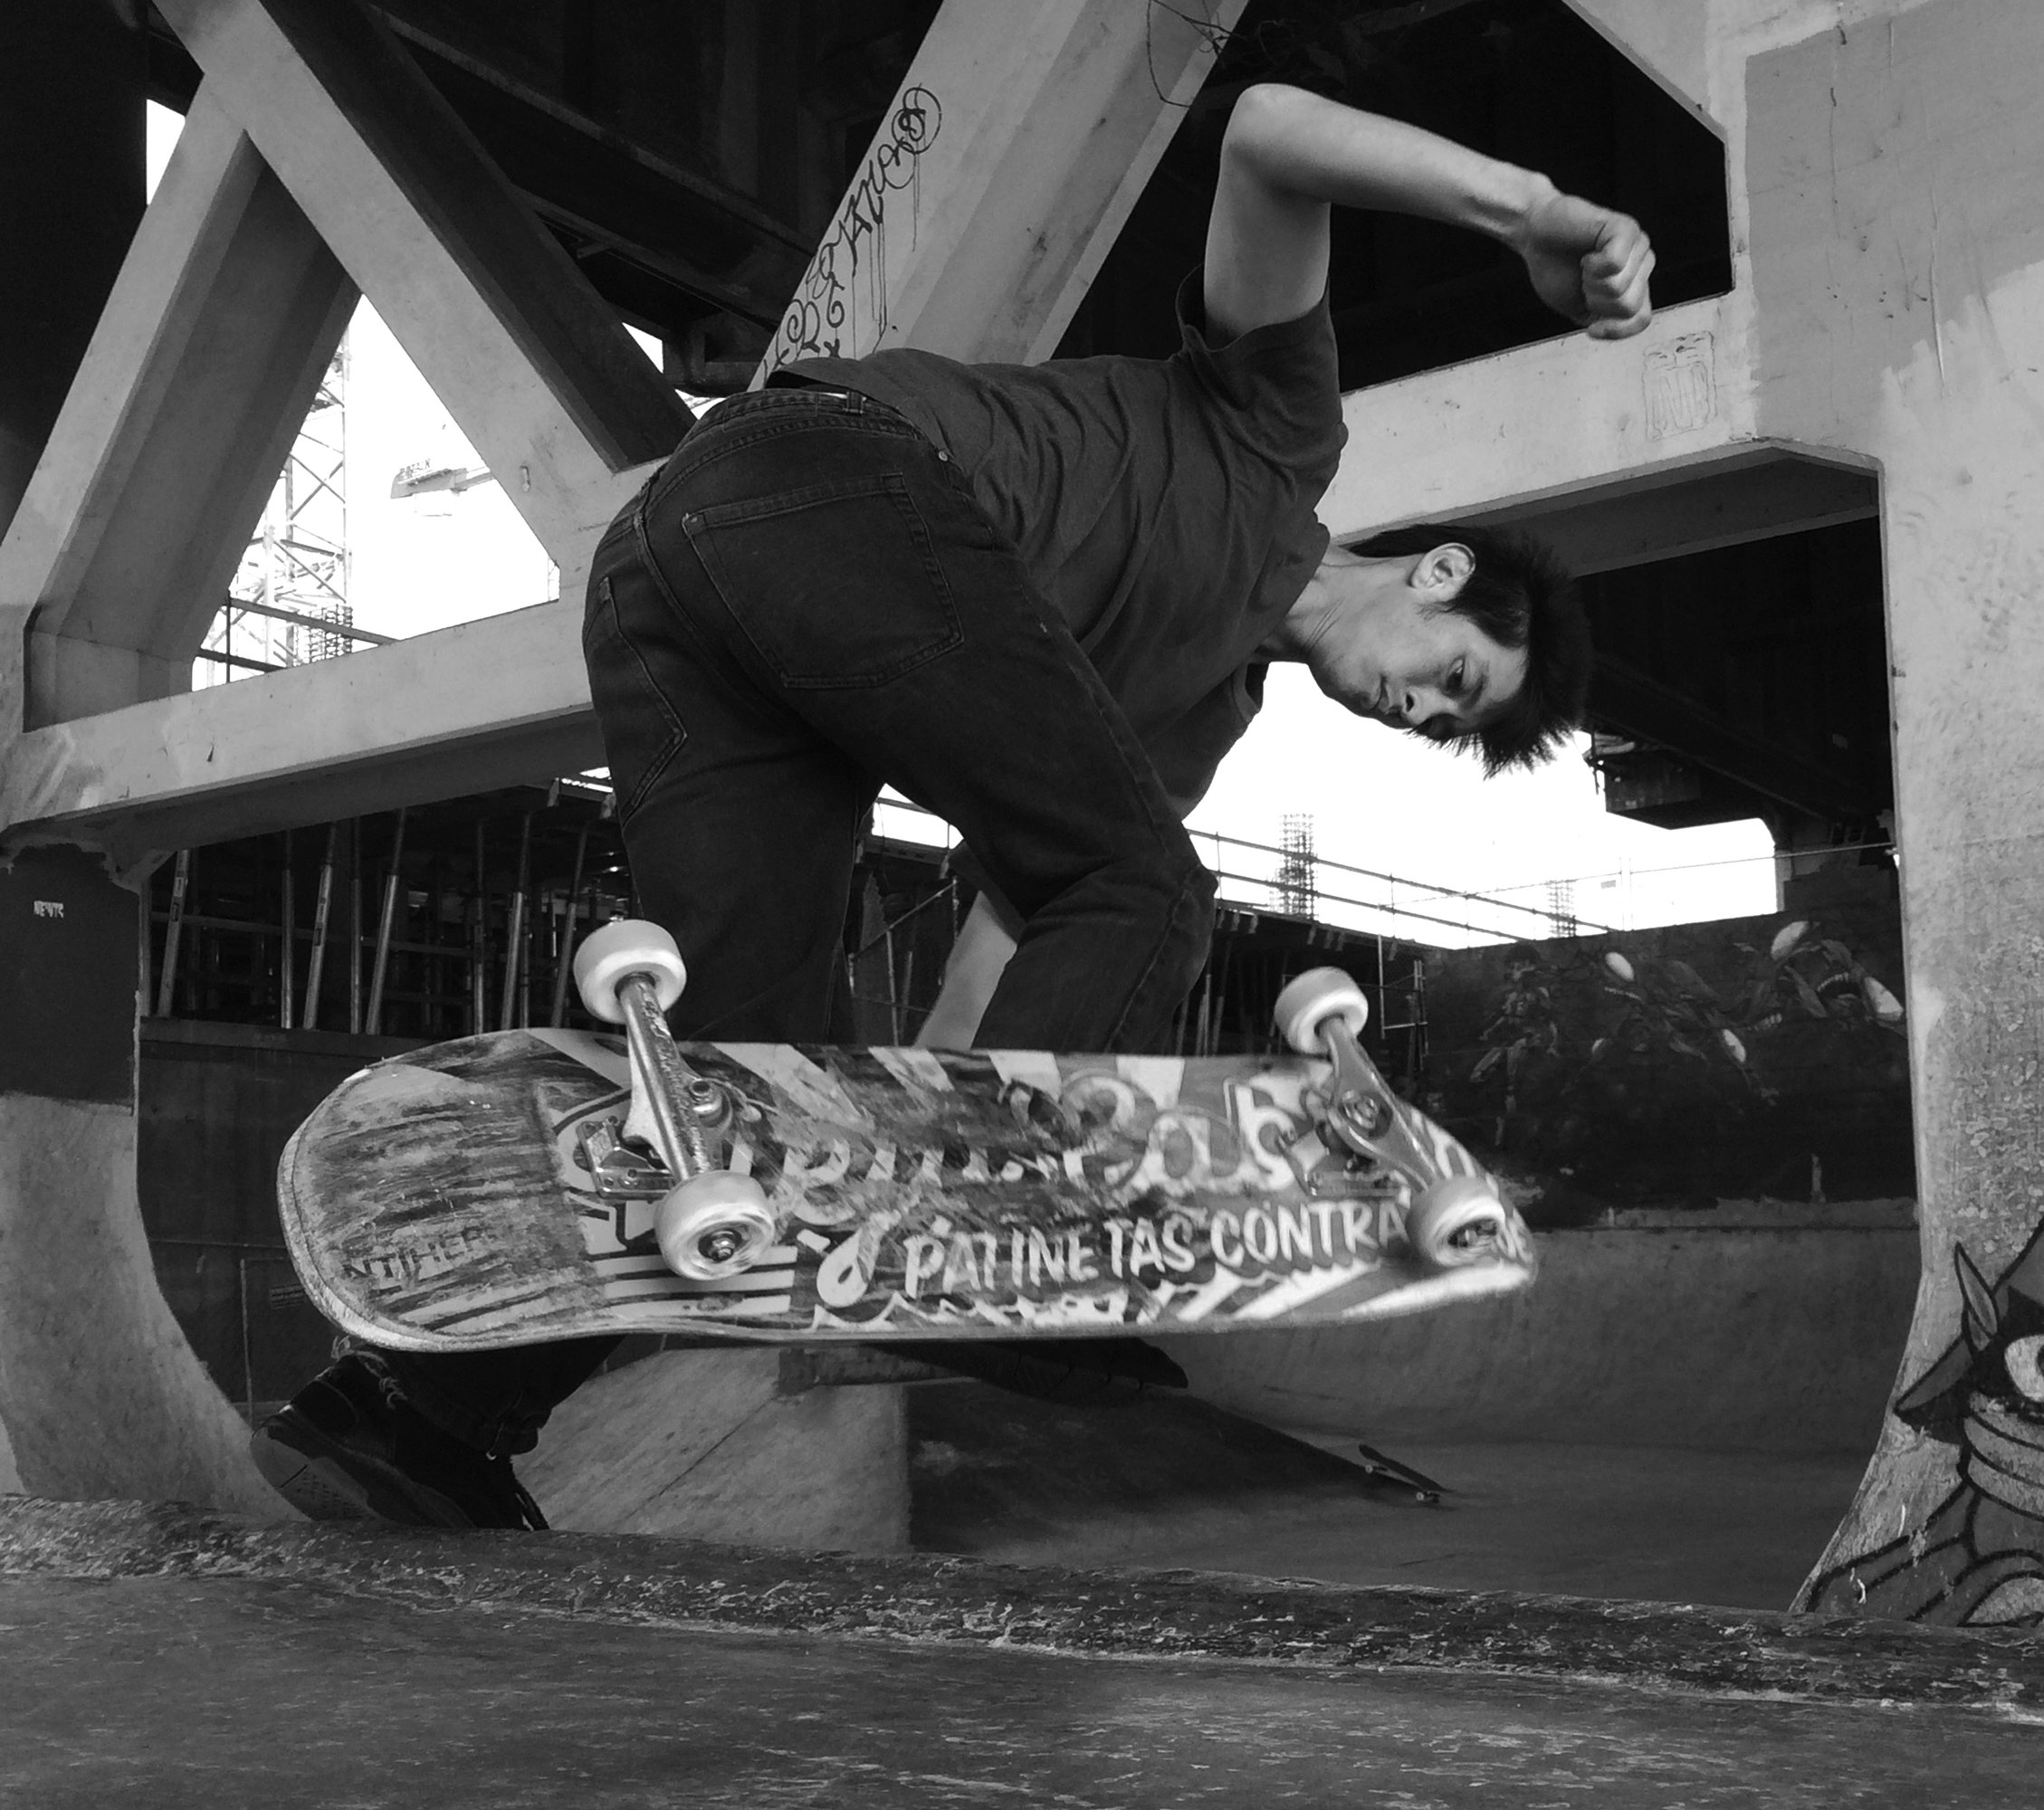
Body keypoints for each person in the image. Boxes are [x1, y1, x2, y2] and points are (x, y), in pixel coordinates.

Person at [250, 82, 1655, 1529]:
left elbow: (1014, 964)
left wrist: (914, 1208)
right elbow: (1266, 133)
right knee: (1154, 886)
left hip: (675, 581)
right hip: (823, 483)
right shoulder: (1277, 430)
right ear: (1436, 576)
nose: (1421, 713)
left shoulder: (1188, 714)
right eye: (1459, 682)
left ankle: (412, 1412)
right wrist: (1531, 212)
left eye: (1444, 727)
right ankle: (996, 1246)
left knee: (749, 1080)